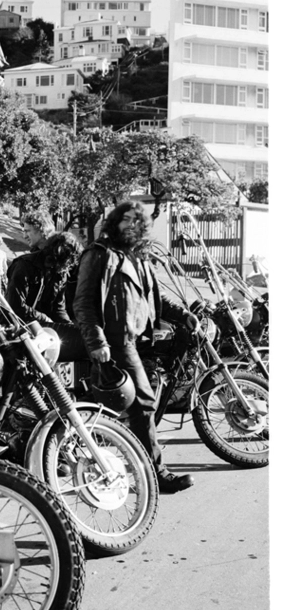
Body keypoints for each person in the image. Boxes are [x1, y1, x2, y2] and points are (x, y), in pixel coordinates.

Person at [72, 201, 200, 494]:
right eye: (125, 219)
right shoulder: (100, 255)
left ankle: (130, 463)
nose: (130, 225)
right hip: (115, 343)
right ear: (114, 223)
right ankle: (156, 474)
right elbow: (83, 303)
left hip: (139, 340)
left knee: (133, 405)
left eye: (136, 221)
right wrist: (96, 341)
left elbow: (158, 299)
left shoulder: (139, 258)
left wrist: (184, 315)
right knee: (143, 405)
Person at [2, 230, 88, 362]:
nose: (67, 268)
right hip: (20, 327)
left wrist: (70, 328)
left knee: (82, 339)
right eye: (68, 262)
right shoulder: (23, 265)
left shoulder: (60, 271)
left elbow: (58, 307)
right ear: (58, 256)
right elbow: (15, 306)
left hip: (45, 328)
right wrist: (44, 318)